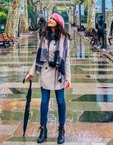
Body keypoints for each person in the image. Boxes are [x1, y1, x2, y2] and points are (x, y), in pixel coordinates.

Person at [25, 13, 71, 144]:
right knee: (44, 102)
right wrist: (31, 72)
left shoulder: (64, 38)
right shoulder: (43, 36)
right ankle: (43, 129)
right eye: (49, 18)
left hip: (59, 75)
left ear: (58, 22)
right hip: (45, 73)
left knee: (61, 102)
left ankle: (61, 129)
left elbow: (67, 59)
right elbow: (38, 56)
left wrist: (68, 78)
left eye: (53, 19)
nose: (50, 20)